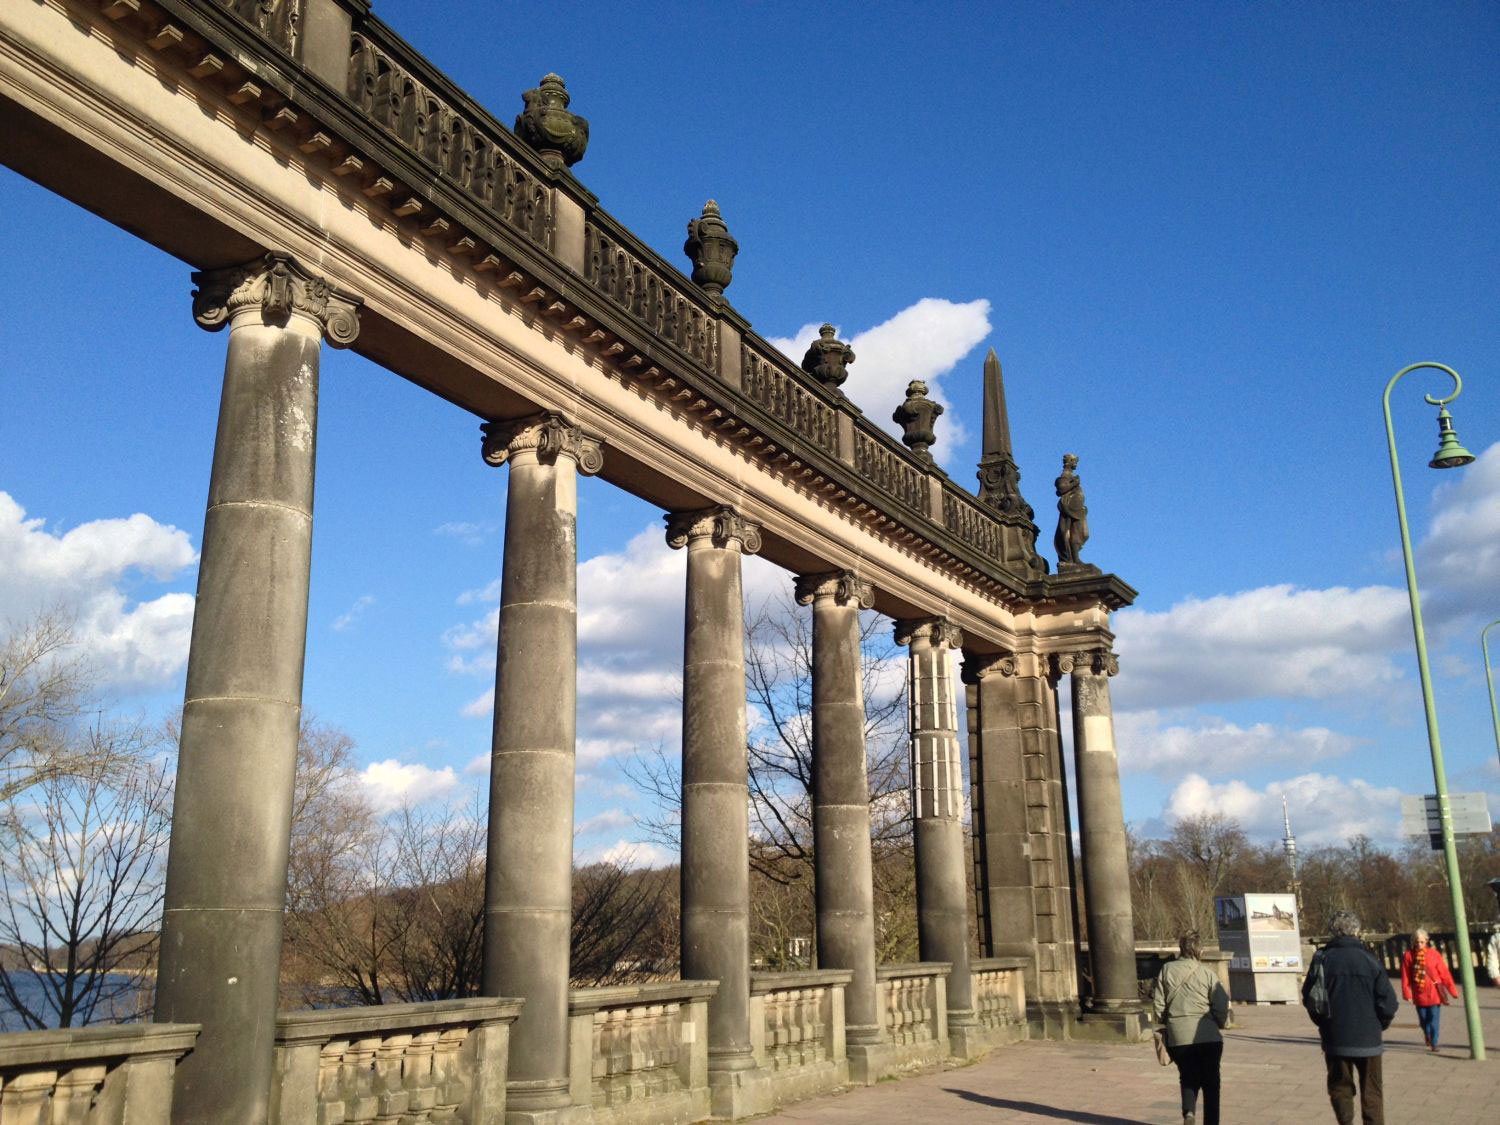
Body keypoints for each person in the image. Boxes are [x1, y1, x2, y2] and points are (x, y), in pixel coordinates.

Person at [1303, 910, 1399, 1125]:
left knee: (1340, 1088)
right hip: (1369, 1038)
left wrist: (1324, 1024)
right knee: (1372, 1092)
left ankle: (1345, 1122)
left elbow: (1310, 998)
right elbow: (1389, 1002)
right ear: (1356, 931)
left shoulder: (1322, 959)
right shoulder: (1370, 960)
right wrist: (1379, 1024)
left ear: (1333, 932)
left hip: (1335, 1037)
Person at [1150, 930, 1229, 1125]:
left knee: (1187, 1077)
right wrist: (1218, 1021)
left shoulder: (1167, 970)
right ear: (1199, 950)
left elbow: (1158, 1005)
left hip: (1179, 1036)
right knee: (1212, 1082)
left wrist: (1166, 1020)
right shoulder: (1207, 973)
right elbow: (1221, 1004)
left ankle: (1189, 1114)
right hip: (1209, 1036)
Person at [1400, 929, 1457, 1051]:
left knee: (1434, 1019)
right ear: (1413, 942)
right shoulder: (1409, 955)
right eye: (1417, 942)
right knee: (1423, 1020)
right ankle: (1427, 1034)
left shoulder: (1434, 954)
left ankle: (1434, 1042)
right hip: (1419, 992)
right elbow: (1406, 975)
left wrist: (1452, 990)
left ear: (1426, 941)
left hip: (1434, 992)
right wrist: (1406, 992)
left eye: (1422, 941)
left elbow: (1444, 973)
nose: (1419, 944)